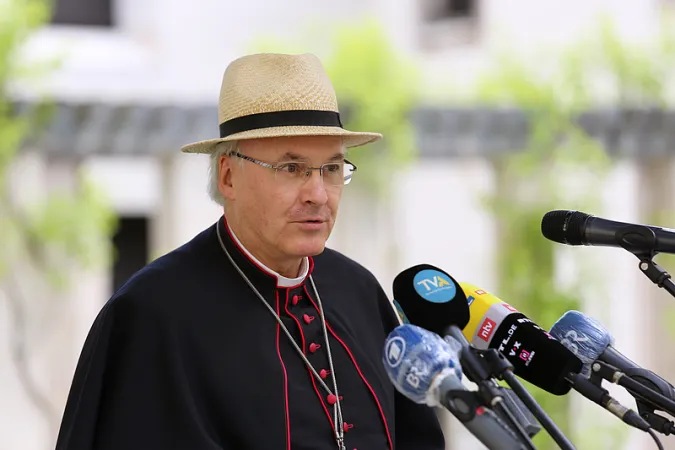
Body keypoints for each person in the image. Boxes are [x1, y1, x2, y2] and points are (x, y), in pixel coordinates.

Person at [54, 52, 446, 450]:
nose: (317, 194)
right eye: (291, 169)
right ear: (228, 175)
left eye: (331, 169)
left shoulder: (358, 289)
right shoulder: (151, 315)